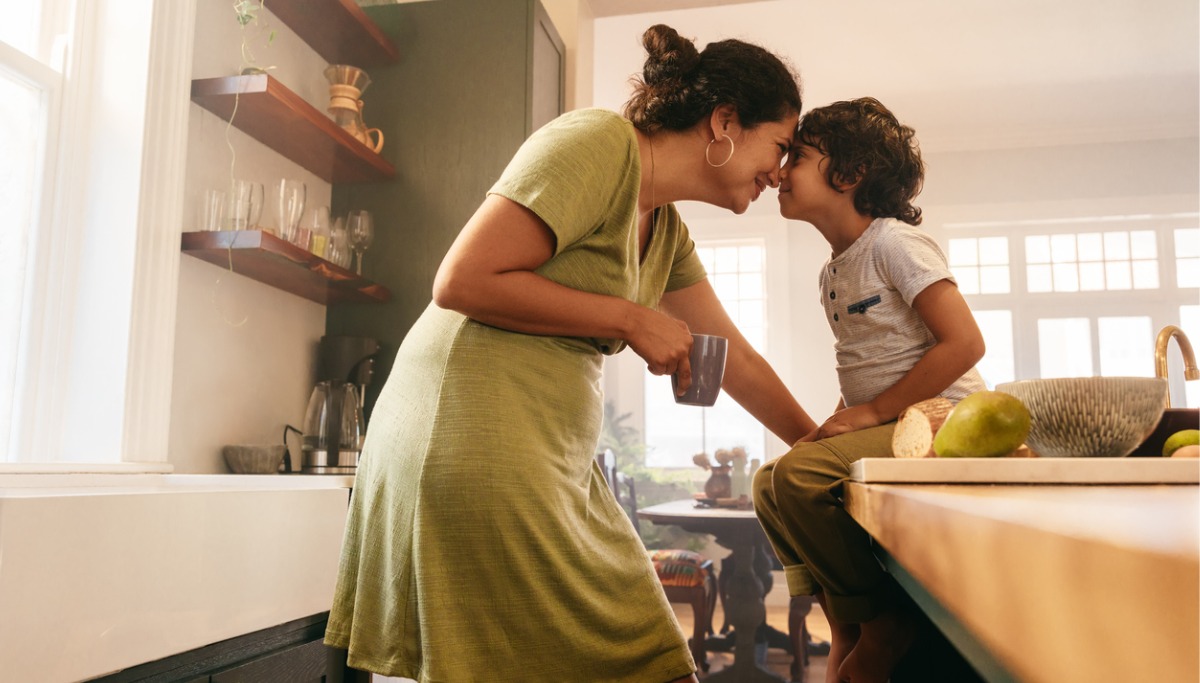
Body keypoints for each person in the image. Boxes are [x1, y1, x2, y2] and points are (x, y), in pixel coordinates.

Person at [324, 24, 818, 683]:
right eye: (779, 146)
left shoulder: (665, 228)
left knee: (645, 654)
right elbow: (460, 281)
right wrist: (630, 318)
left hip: (548, 456)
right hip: (469, 434)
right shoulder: (596, 143)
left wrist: (817, 444)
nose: (780, 172)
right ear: (724, 120)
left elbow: (736, 359)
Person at [752, 97, 987, 683]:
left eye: (797, 158)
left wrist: (876, 411)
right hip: (888, 420)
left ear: (850, 175)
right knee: (769, 480)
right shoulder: (834, 271)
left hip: (943, 420)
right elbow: (865, 367)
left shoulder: (894, 243)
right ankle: (844, 622)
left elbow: (964, 344)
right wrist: (832, 425)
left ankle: (884, 623)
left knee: (800, 477)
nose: (780, 171)